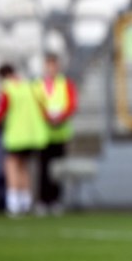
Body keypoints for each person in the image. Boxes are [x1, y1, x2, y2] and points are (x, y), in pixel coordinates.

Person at [0, 63, 48, 217]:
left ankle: (14, 203)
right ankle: (25, 202)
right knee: (24, 167)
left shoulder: (8, 89)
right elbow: (43, 107)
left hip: (16, 135)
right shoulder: (30, 86)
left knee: (11, 165)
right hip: (32, 135)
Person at [34, 53, 77, 215]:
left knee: (58, 169)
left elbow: (72, 104)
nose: (51, 68)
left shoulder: (65, 84)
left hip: (61, 132)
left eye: (54, 65)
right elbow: (36, 105)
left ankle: (56, 200)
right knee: (43, 168)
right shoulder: (37, 85)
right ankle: (43, 201)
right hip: (43, 133)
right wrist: (47, 117)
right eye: (48, 65)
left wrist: (60, 117)